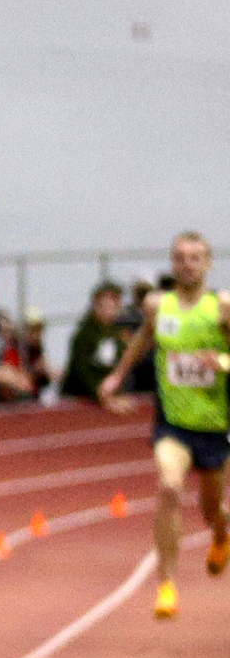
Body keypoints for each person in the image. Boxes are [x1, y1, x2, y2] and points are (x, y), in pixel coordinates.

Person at [99, 232, 230, 620]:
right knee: (169, 487)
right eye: (179, 257)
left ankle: (222, 534)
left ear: (208, 264)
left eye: (195, 257)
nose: (186, 264)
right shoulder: (159, 305)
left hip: (214, 425)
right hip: (172, 423)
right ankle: (167, 585)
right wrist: (116, 376)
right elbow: (143, 338)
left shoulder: (222, 308)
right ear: (172, 264)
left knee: (213, 511)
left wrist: (221, 364)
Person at [62, 280, 133, 400]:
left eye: (115, 305)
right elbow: (82, 372)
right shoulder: (85, 334)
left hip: (109, 394)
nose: (111, 310)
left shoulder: (118, 333)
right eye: (106, 305)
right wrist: (101, 394)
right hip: (82, 398)